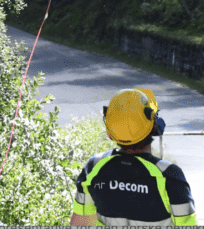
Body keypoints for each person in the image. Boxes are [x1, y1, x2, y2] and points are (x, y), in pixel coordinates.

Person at [70, 87, 197, 226]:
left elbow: (80, 223)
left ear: (110, 129)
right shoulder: (169, 175)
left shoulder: (93, 167)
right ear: (155, 126)